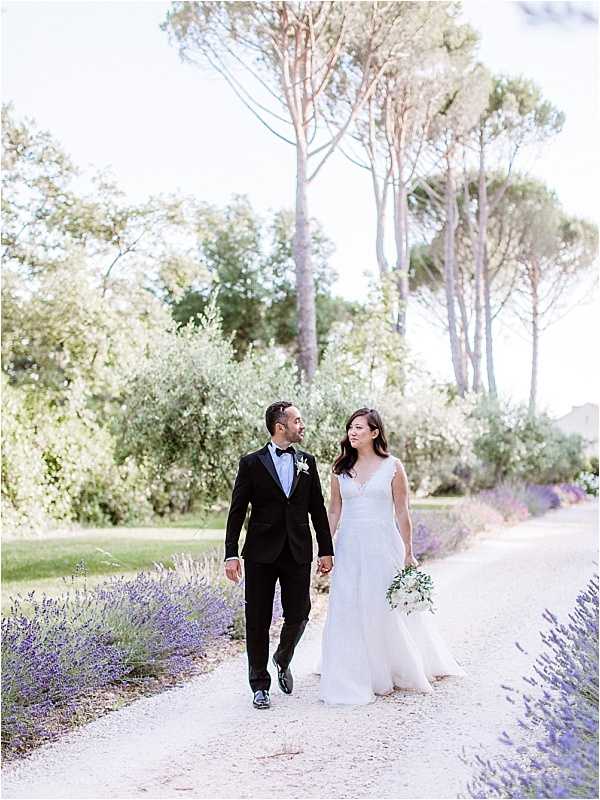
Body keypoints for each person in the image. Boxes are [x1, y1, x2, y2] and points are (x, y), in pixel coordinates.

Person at [318, 407, 466, 705]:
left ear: (375, 433)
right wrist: (323, 547)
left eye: (360, 427)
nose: (353, 432)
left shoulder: (393, 466)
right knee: (348, 603)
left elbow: (402, 510)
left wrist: (409, 551)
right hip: (349, 544)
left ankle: (393, 666)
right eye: (351, 427)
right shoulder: (339, 470)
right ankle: (352, 668)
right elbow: (334, 510)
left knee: (380, 604)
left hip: (382, 544)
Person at [225, 401, 334, 710]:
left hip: (298, 549)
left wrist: (326, 549)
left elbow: (318, 510)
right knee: (257, 619)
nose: (302, 425)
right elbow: (236, 511)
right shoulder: (251, 463)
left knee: (299, 613)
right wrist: (230, 553)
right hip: (260, 552)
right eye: (297, 421)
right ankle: (259, 685)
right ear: (280, 427)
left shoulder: (307, 462)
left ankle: (282, 656)